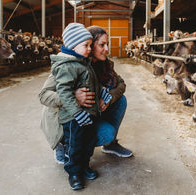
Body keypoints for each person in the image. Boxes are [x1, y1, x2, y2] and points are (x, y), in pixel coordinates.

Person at [39, 25, 132, 168]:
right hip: (66, 117)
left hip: (88, 111)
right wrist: (72, 97)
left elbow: (121, 84)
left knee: (121, 101)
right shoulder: (70, 64)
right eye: (102, 45)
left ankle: (110, 144)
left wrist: (109, 98)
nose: (106, 49)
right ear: (88, 44)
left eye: (107, 44)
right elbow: (43, 95)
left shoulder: (104, 64)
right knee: (103, 133)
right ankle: (61, 144)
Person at [46, 23, 99, 190]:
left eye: (90, 45)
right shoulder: (66, 66)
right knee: (75, 146)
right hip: (73, 118)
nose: (89, 49)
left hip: (88, 114)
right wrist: (77, 112)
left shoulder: (82, 62)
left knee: (88, 143)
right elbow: (64, 94)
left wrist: (101, 92)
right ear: (72, 46)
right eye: (86, 45)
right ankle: (74, 173)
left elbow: (92, 83)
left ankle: (84, 166)